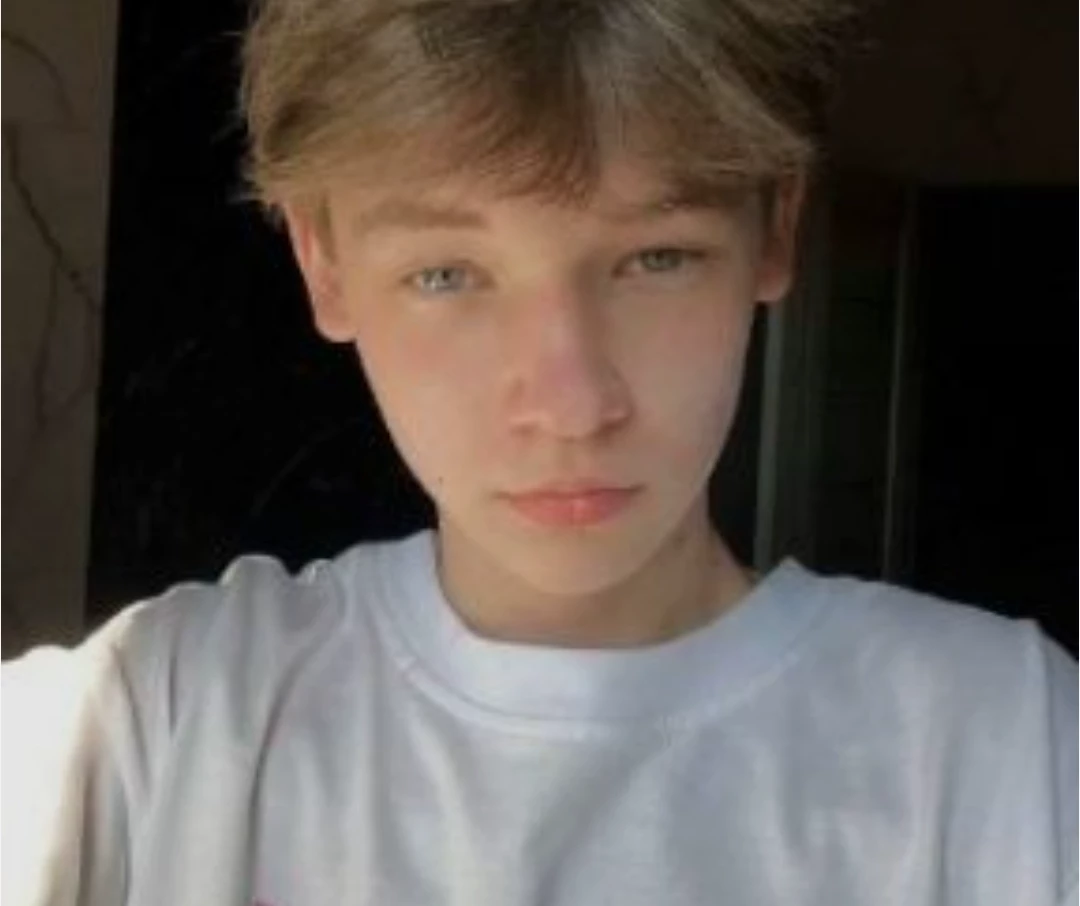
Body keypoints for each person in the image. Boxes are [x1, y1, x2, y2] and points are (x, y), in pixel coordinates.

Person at [2, 0, 1076, 903]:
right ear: (323, 262)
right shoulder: (148, 730)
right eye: (447, 274)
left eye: (657, 258)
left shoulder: (999, 747)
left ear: (777, 227)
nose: (570, 406)